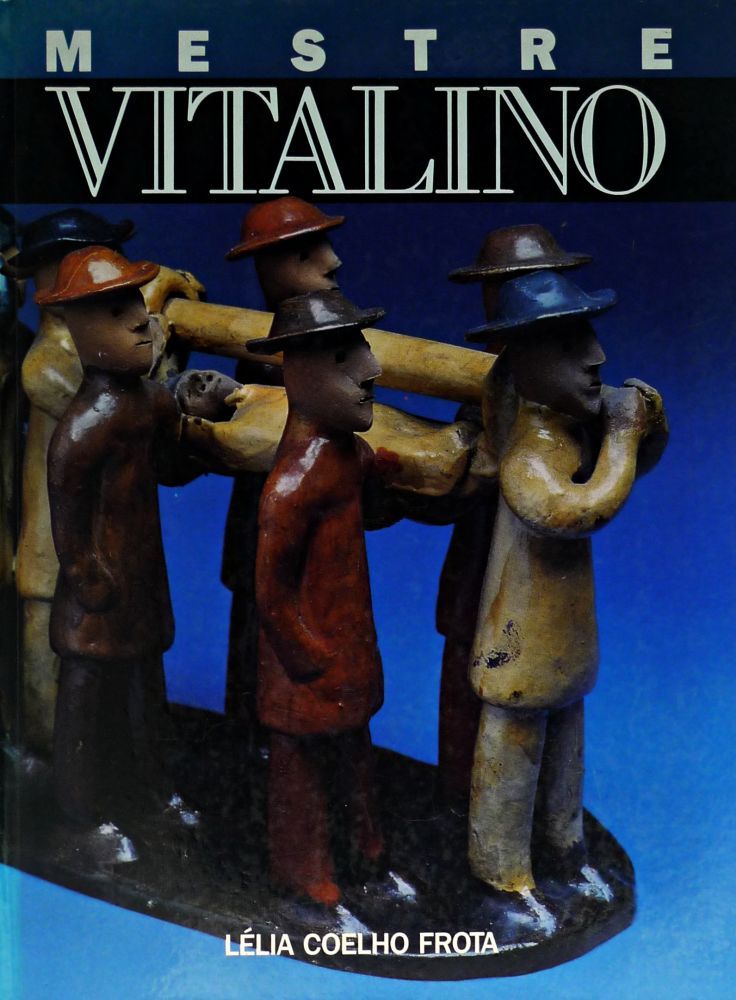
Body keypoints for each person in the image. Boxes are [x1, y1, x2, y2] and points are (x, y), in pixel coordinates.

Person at [465, 270, 667, 936]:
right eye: (570, 343)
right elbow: (579, 509)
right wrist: (623, 439)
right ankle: (501, 877)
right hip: (520, 644)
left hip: (566, 640)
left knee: (564, 760)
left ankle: (564, 851)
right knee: (512, 760)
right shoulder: (529, 455)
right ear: (523, 362)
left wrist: (644, 431)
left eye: (590, 337)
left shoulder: (569, 428)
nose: (596, 356)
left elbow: (625, 470)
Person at [249, 289, 414, 916]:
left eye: (362, 351)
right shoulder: (290, 486)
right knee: (303, 767)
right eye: (346, 358)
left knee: (354, 754)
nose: (371, 369)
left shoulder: (347, 454)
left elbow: (373, 509)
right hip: (309, 661)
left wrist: (392, 482)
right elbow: (271, 587)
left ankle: (366, 858)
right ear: (299, 372)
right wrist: (306, 654)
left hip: (345, 649)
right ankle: (306, 880)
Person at [41, 246, 200, 865]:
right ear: (79, 330)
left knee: (146, 685)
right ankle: (80, 817)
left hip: (141, 581)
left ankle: (153, 789)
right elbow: (66, 507)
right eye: (116, 311)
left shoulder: (150, 401)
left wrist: (197, 411)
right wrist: (86, 575)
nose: (139, 319)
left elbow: (171, 461)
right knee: (84, 694)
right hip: (100, 590)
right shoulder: (84, 427)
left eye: (136, 301)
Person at [438, 225, 592, 806]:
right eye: (504, 285)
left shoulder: (557, 370)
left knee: (527, 679)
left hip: (533, 564)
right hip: (484, 546)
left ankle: (504, 803)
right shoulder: (494, 376)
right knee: (467, 659)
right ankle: (458, 793)